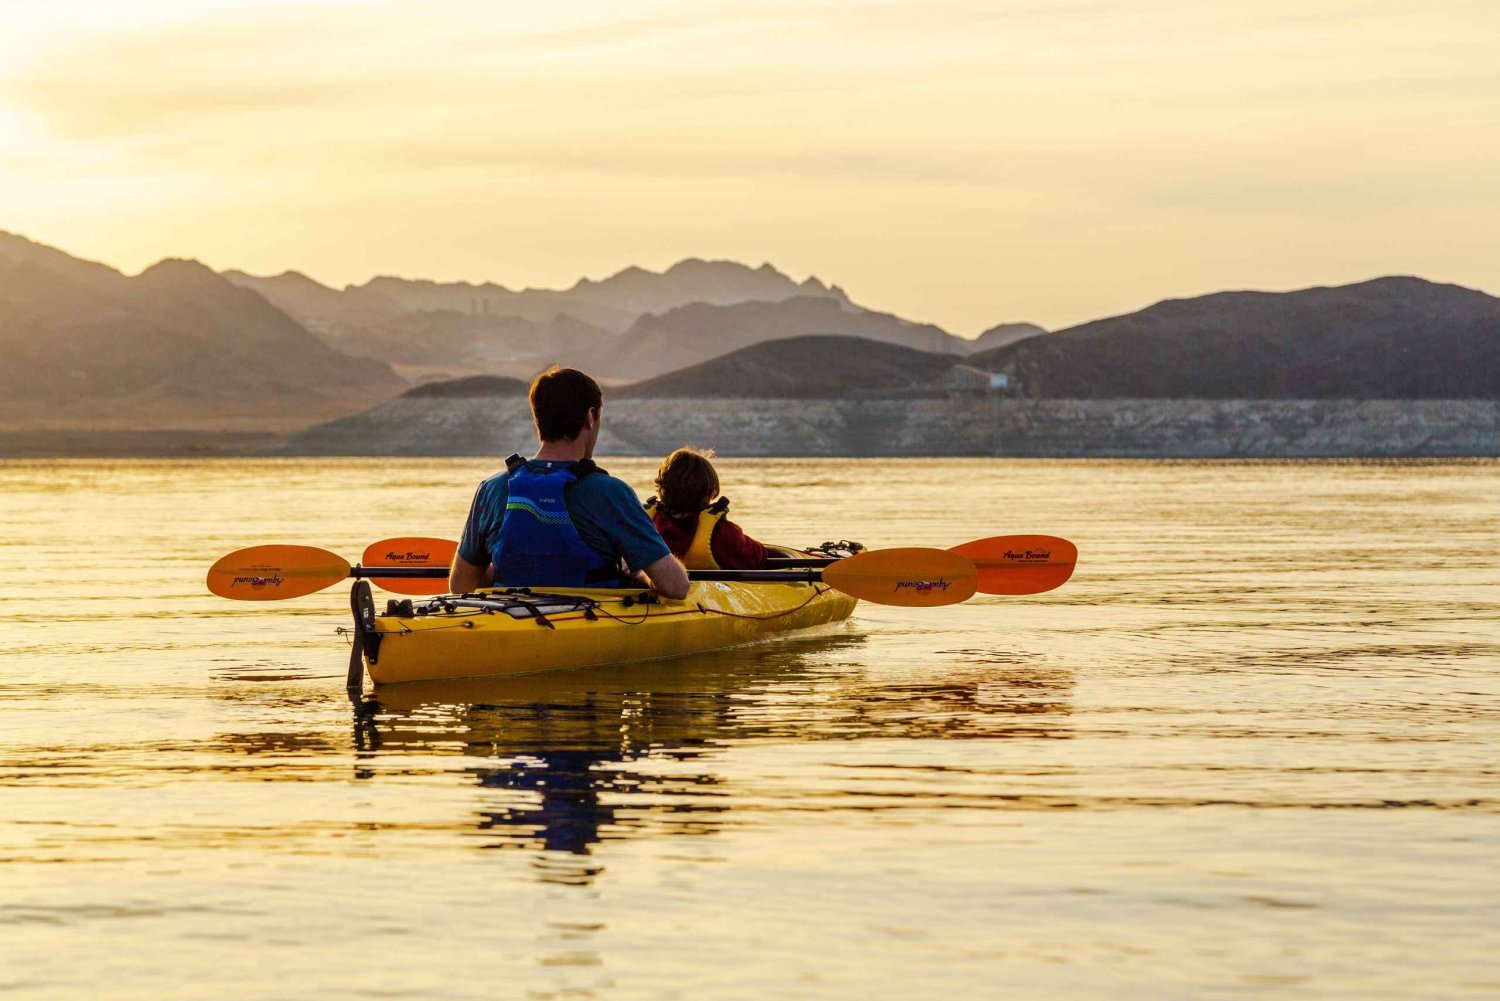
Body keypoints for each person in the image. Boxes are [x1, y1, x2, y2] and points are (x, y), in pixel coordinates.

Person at [448, 368, 691, 599]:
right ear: (590, 417)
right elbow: (675, 587)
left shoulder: (492, 488)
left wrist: (507, 572)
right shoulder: (611, 492)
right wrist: (639, 573)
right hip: (589, 626)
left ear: (538, 420)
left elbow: (461, 585)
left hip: (508, 622)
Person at [647, 447, 769, 570]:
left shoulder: (643, 526)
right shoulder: (723, 533)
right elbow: (758, 557)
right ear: (711, 494)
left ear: (660, 489)